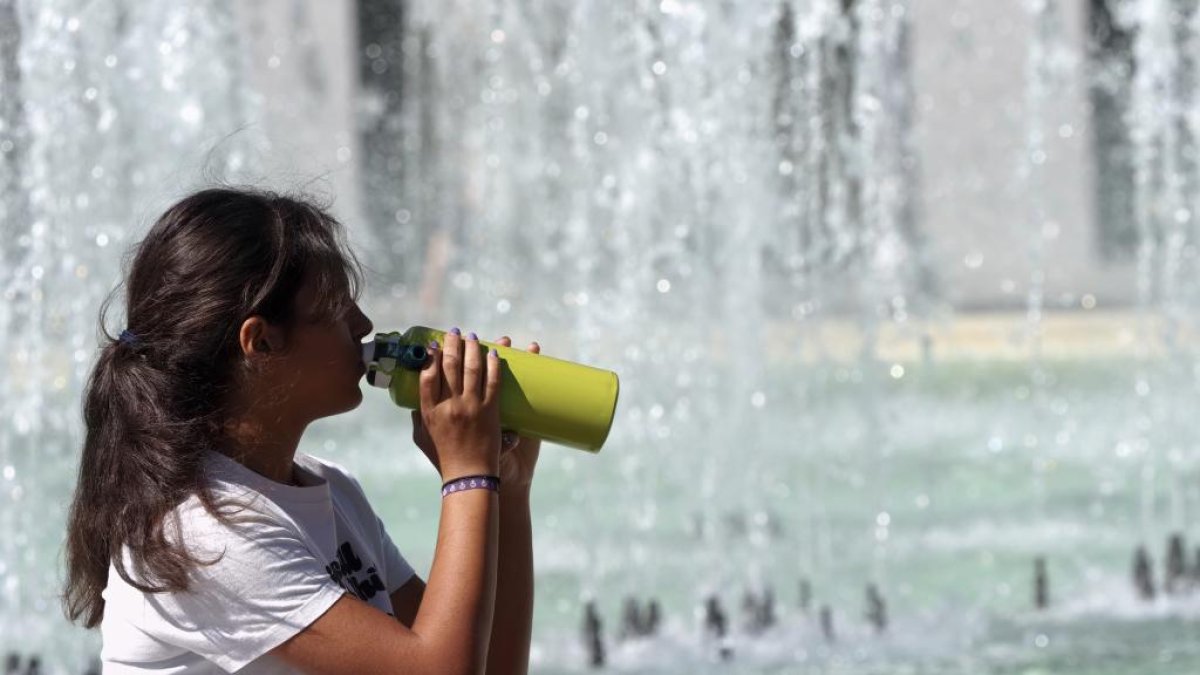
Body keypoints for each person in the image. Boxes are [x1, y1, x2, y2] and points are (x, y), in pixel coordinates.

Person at [60, 187, 540, 674]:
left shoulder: (334, 495)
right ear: (261, 342)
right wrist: (467, 475)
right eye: (335, 307)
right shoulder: (200, 535)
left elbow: (489, 667)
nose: (364, 324)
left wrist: (509, 489)